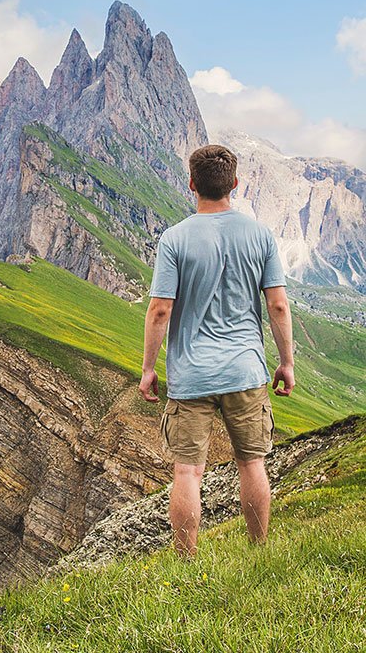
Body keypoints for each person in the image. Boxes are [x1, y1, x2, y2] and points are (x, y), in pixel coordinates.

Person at [138, 143, 295, 558]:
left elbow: (160, 310)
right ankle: (258, 551)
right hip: (245, 370)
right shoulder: (260, 236)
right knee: (251, 463)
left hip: (191, 375)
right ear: (235, 184)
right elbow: (278, 305)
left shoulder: (174, 239)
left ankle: (186, 561)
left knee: (188, 471)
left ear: (192, 184)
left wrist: (149, 368)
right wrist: (287, 362)